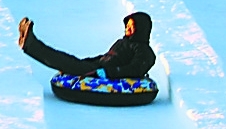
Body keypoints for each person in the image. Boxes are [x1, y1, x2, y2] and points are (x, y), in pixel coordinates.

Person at [16, 12, 156, 82]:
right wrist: (87, 61)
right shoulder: (122, 42)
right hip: (97, 67)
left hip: (103, 74)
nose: (127, 29)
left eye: (132, 26)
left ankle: (30, 44)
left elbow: (135, 69)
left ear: (141, 29)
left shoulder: (144, 51)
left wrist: (107, 72)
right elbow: (106, 57)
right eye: (127, 26)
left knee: (62, 60)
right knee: (68, 60)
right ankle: (29, 42)